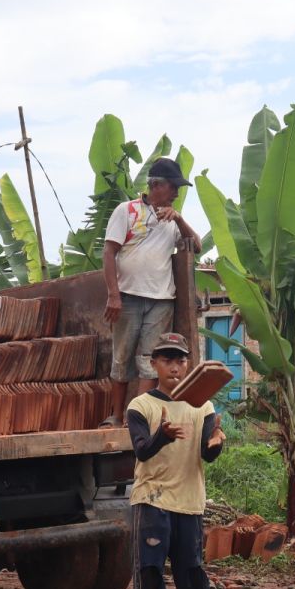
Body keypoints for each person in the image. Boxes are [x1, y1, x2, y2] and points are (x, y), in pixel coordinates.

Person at [125, 332, 225, 589]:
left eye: (180, 359)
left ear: (188, 364)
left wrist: (216, 443)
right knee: (149, 582)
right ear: (154, 364)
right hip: (151, 503)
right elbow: (141, 450)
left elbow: (207, 453)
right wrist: (162, 435)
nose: (175, 366)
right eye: (167, 359)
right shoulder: (141, 406)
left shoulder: (204, 406)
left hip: (189, 505)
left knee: (192, 583)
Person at [100, 158, 201, 429]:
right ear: (156, 185)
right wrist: (113, 295)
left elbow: (197, 246)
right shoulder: (127, 211)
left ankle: (138, 419)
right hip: (129, 296)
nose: (177, 193)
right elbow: (109, 252)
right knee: (122, 358)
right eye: (173, 187)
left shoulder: (171, 220)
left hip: (162, 300)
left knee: (148, 361)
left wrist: (179, 218)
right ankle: (117, 417)